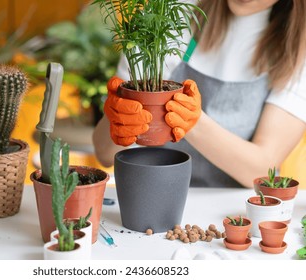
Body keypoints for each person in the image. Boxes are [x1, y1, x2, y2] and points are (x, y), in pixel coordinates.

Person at [92, 0, 306, 188]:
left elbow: (261, 169)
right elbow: (104, 154)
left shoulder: (297, 54)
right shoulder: (172, 11)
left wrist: (192, 122)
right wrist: (116, 121)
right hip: (152, 195)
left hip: (235, 214)